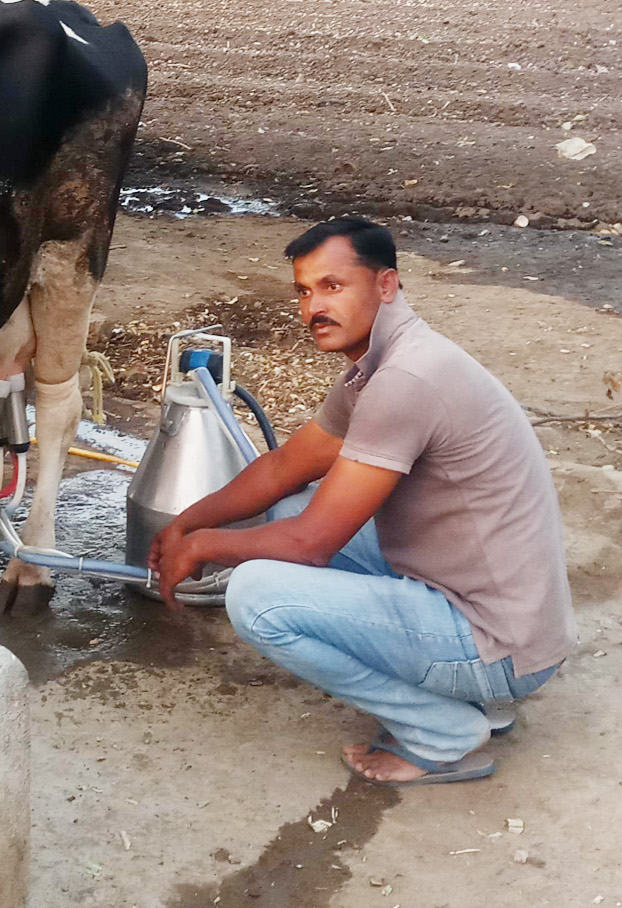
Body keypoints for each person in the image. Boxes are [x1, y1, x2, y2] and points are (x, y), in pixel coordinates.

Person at [148, 216, 575, 785]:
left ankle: (441, 731)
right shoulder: (382, 367)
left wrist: (203, 547)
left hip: (495, 643)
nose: (313, 308)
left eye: (333, 286)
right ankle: (483, 706)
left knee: (257, 596)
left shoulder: (405, 381)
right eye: (304, 291)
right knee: (290, 507)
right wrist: (185, 523)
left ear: (386, 285)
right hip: (498, 617)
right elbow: (282, 468)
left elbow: (312, 545)